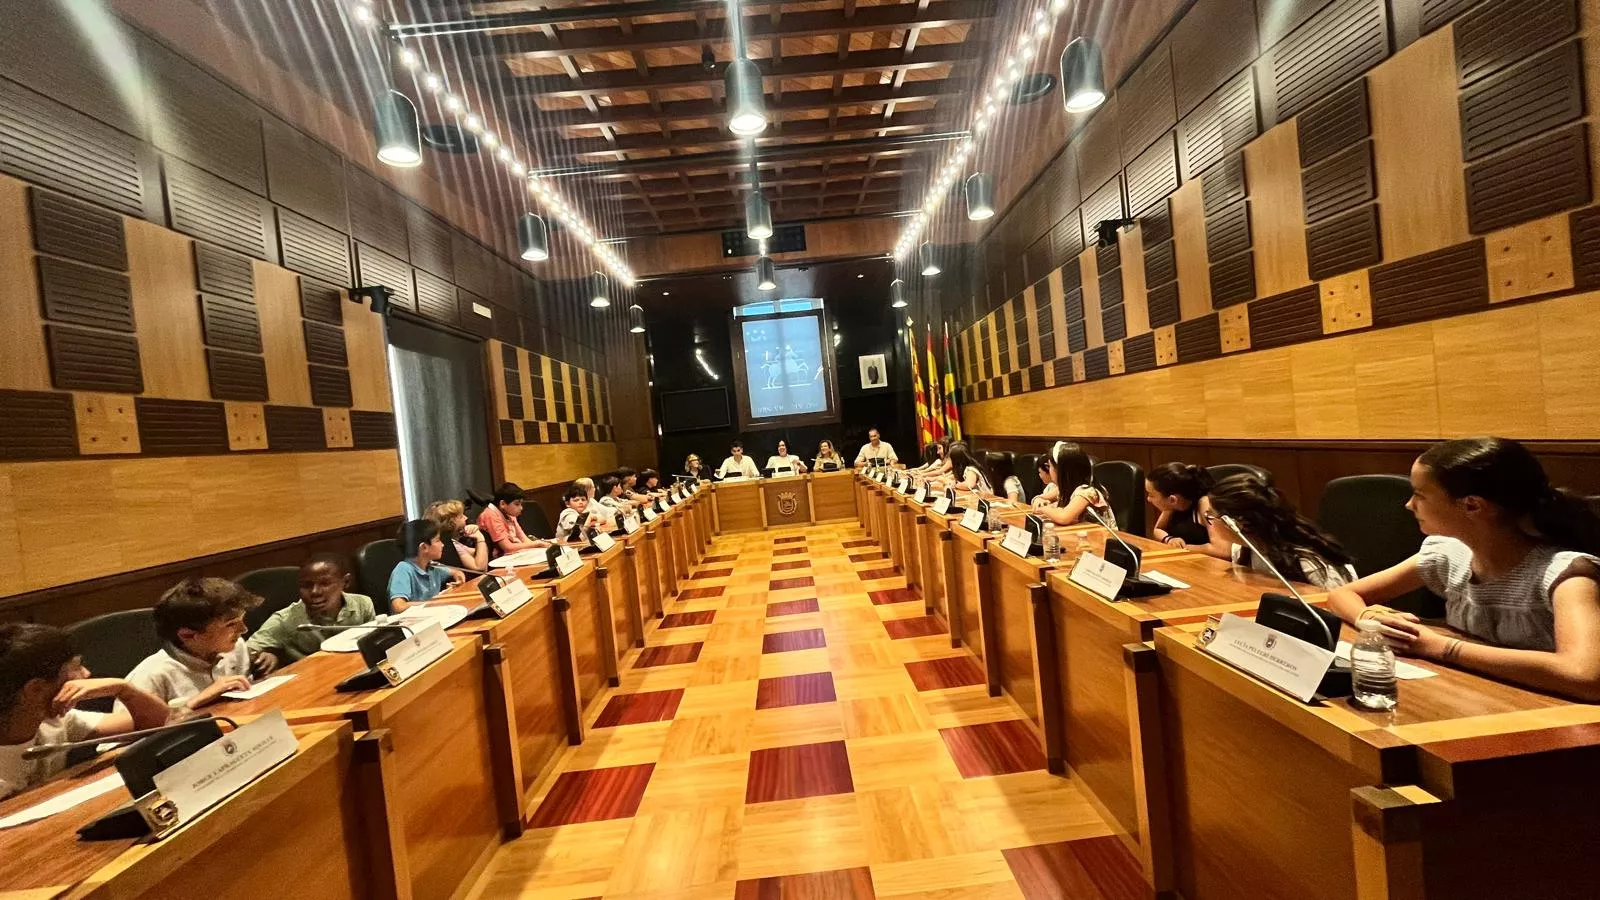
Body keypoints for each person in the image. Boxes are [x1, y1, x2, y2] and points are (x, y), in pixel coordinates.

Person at [1327, 437, 1600, 700]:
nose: (1409, 505)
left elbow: (1584, 676)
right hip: (1482, 696)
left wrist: (1442, 647)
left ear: (1472, 505)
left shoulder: (1566, 575)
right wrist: (1370, 616)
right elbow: (1341, 595)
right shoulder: (1449, 554)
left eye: (1420, 495)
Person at [1, 624, 170, 800]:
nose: (86, 673)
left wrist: (124, 689)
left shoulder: (57, 721)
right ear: (35, 689)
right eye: (76, 667)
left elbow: (160, 724)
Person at [126, 578, 259, 715]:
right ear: (188, 635)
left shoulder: (236, 647)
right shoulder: (150, 676)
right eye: (231, 624)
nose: (244, 629)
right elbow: (128, 734)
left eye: (242, 620)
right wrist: (194, 702)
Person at [1200, 474, 1356, 589]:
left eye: (1211, 515)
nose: (1210, 521)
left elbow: (1339, 611)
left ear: (1236, 523)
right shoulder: (1243, 550)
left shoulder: (1308, 564)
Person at [249, 553, 377, 673]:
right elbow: (246, 650)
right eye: (307, 585)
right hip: (312, 679)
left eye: (325, 583)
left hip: (355, 670)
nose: (315, 591)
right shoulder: (285, 619)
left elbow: (373, 645)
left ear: (346, 582)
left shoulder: (362, 604)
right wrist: (263, 655)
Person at [1034, 441, 1117, 528]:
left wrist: (1044, 509)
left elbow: (1064, 517)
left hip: (1103, 538)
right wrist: (1039, 500)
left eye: (1050, 466)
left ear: (1062, 471)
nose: (1049, 470)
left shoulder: (1087, 491)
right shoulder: (1064, 489)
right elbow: (1040, 497)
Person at [388, 519, 466, 612]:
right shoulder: (403, 570)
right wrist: (436, 602)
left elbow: (456, 572)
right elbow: (399, 607)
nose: (442, 545)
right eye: (438, 540)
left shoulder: (432, 567)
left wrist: (458, 579)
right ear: (424, 547)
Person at [1146, 463, 1215, 548]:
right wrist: (1169, 539)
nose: (1148, 499)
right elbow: (1158, 529)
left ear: (1172, 499)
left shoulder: (1204, 505)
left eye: (1151, 495)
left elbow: (1221, 549)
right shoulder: (1171, 507)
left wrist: (1184, 548)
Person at [476, 483, 550, 556]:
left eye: (521, 504)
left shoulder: (509, 513)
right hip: (495, 558)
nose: (521, 508)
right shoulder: (490, 515)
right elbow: (507, 547)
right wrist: (536, 544)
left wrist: (539, 545)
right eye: (517, 504)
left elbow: (524, 539)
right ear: (502, 504)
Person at [427, 499, 489, 572]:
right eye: (461, 516)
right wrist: (480, 538)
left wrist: (477, 532)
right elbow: (480, 567)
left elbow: (477, 553)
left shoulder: (453, 541)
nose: (466, 518)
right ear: (451, 522)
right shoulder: (449, 546)